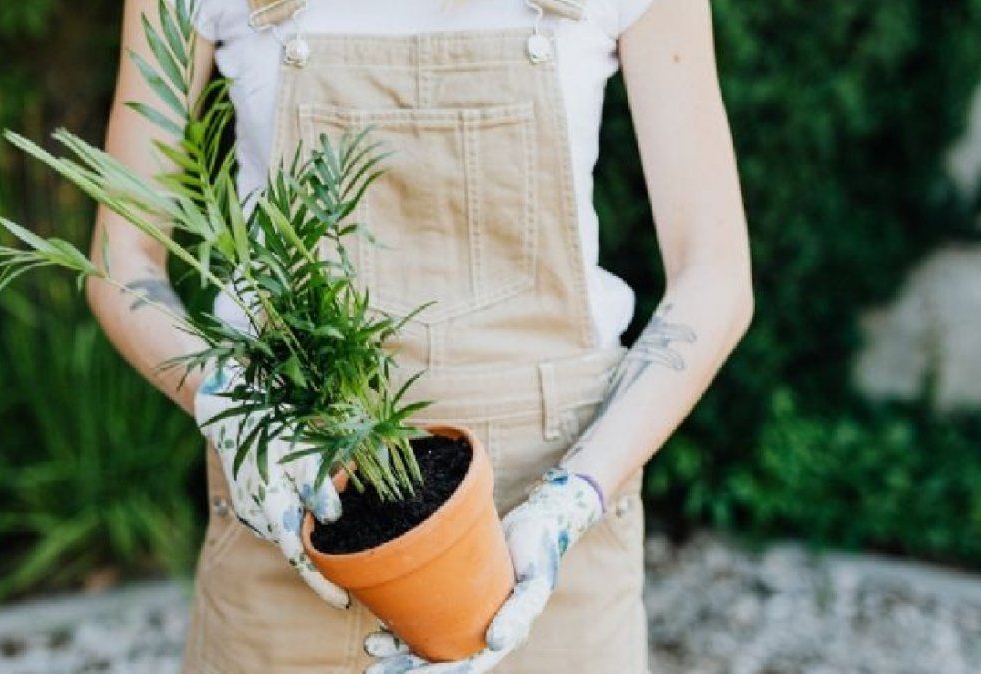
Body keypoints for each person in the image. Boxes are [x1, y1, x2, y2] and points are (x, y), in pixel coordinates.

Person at [85, 0, 753, 671]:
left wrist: (574, 498)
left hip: (552, 529)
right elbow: (121, 265)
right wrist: (231, 411)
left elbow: (715, 275)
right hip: (296, 514)